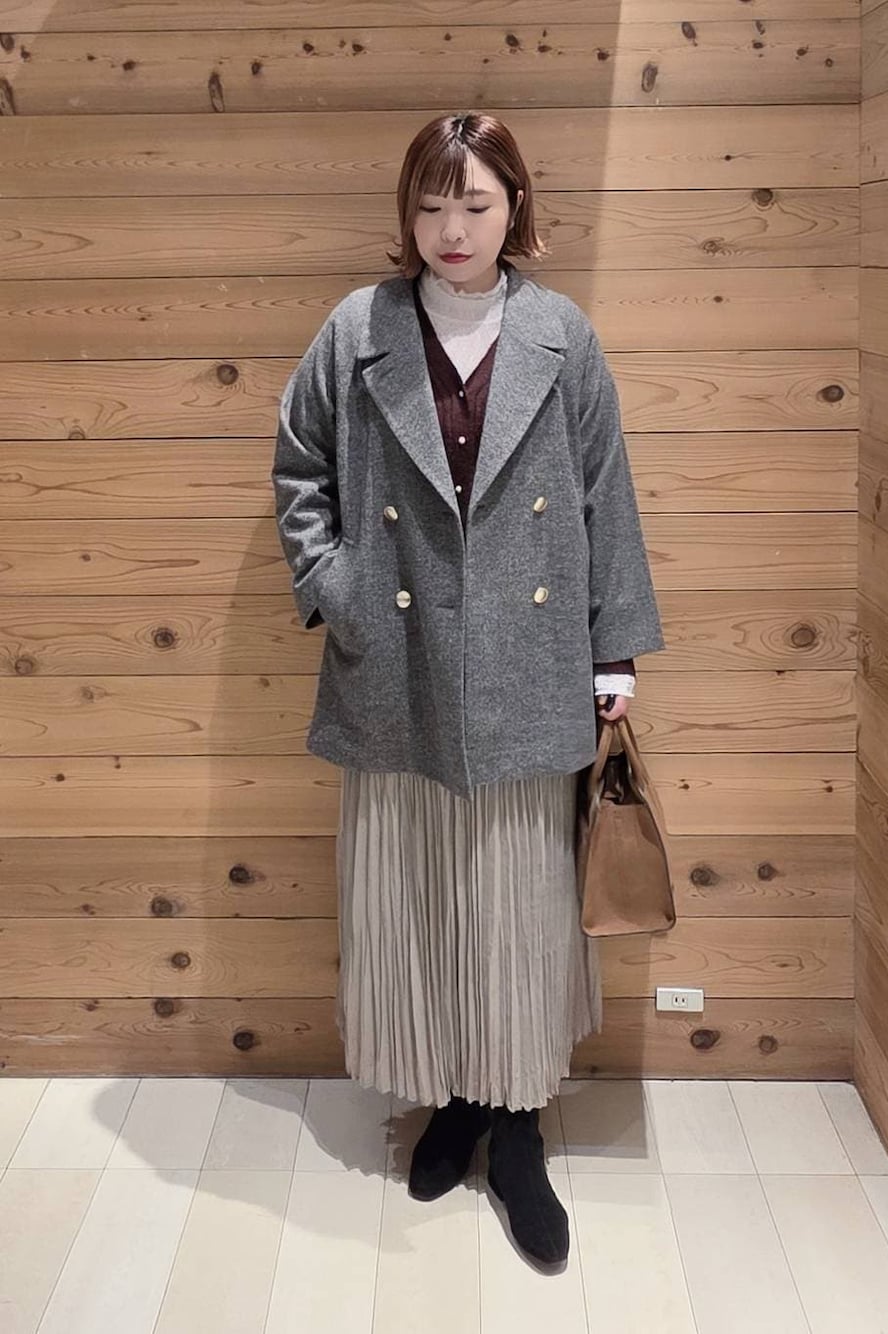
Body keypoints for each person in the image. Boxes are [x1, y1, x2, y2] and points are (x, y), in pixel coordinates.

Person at [271, 112, 663, 1267]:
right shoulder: (357, 330)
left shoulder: (559, 334)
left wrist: (612, 652)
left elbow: (605, 491)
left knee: (518, 904)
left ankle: (517, 1122)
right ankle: (451, 1098)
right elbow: (298, 466)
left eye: (476, 204)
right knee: (418, 893)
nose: (453, 228)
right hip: (393, 661)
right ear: (408, 213)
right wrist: (338, 588)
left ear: (514, 209)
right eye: (433, 204)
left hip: (528, 662)